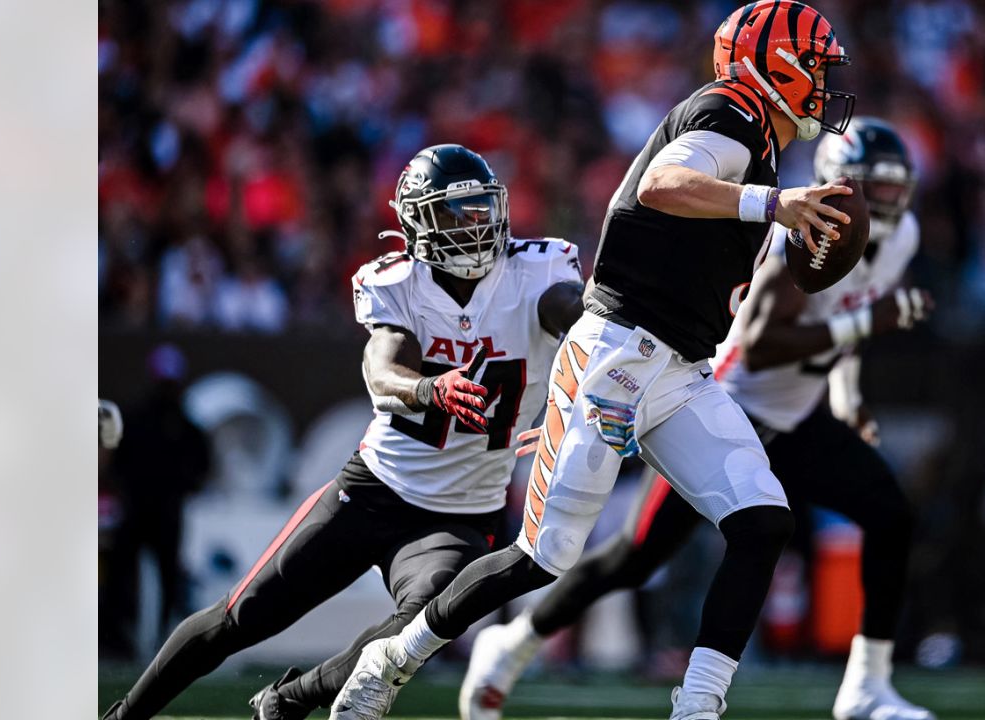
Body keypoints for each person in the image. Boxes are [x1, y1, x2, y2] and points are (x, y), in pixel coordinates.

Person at [327, 3, 860, 719]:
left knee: (763, 521)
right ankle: (392, 658)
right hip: (615, 355)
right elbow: (661, 187)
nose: (825, 83)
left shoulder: (756, 134)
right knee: (543, 557)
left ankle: (697, 708)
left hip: (678, 369)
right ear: (777, 64)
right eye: (817, 66)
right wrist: (775, 204)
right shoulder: (729, 110)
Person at [460, 118, 937, 720]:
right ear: (836, 184)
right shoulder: (798, 238)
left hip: (799, 417)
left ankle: (867, 687)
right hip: (728, 410)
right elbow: (763, 344)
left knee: (890, 515)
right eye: (874, 188)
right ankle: (516, 640)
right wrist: (867, 326)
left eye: (894, 191)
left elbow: (848, 310)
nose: (886, 204)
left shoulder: (901, 239)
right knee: (636, 558)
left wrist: (845, 390)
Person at [100, 144, 585, 720]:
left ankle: (290, 701)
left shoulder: (538, 273)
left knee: (417, 629)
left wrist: (598, 345)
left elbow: (575, 315)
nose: (474, 226)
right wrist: (429, 389)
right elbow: (383, 368)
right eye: (455, 214)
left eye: (482, 210)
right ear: (417, 224)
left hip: (460, 517)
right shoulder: (398, 282)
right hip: (371, 493)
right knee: (241, 617)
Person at [100, 345, 211, 660]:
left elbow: (201, 464)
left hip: (157, 510)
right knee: (130, 575)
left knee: (163, 576)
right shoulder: (171, 422)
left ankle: (158, 639)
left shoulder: (176, 423)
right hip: (148, 510)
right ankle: (124, 637)